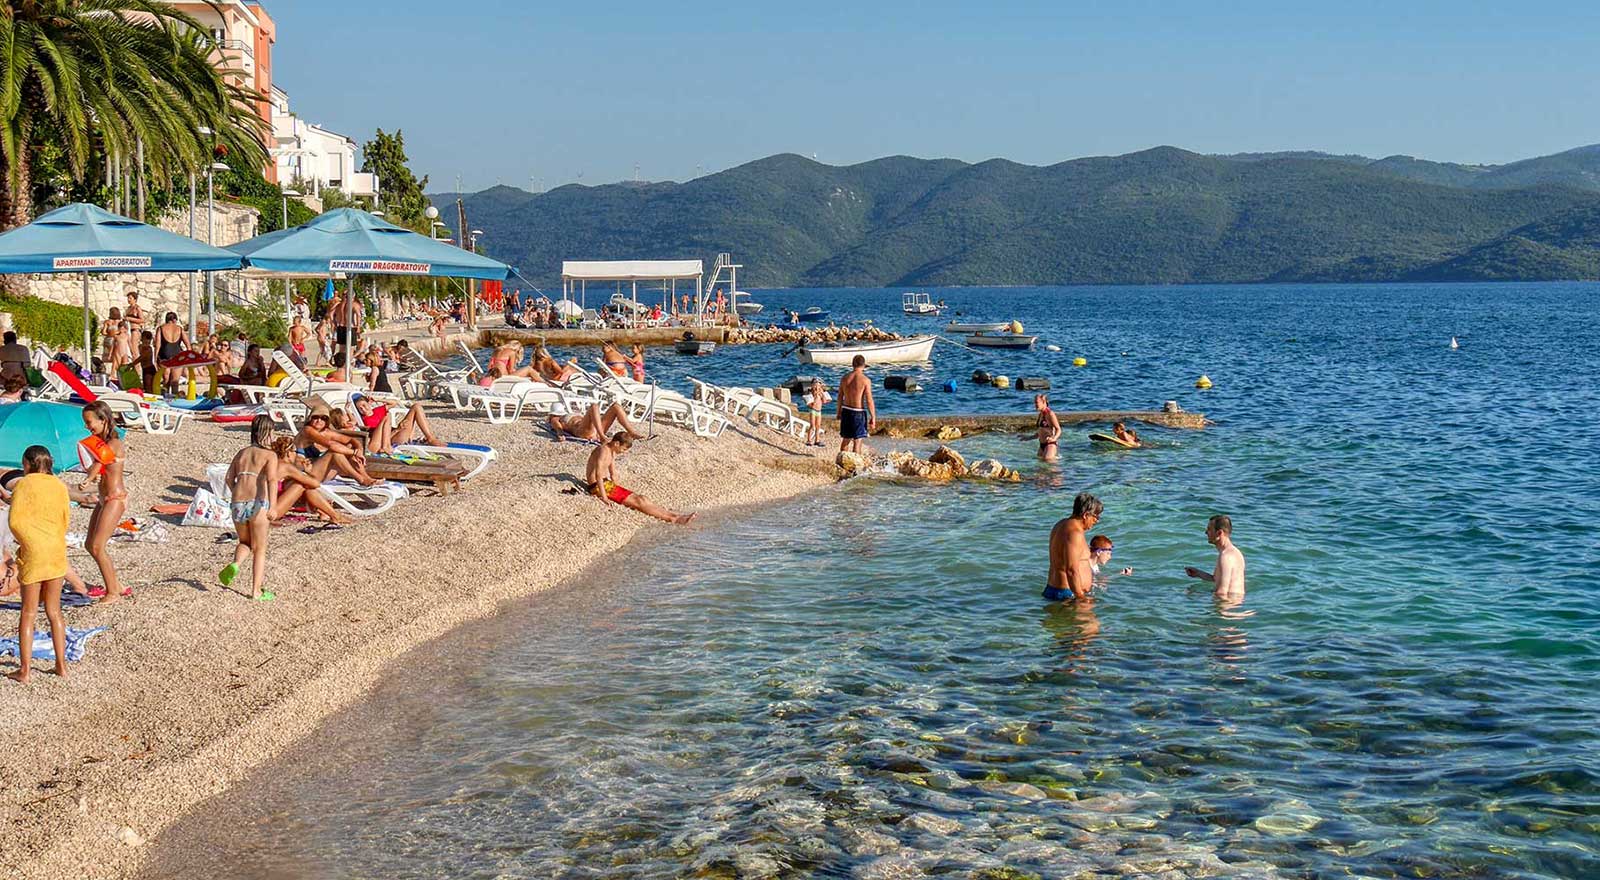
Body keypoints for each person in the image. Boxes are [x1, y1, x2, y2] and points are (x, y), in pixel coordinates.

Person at [6, 446, 70, 682]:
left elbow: (15, 521)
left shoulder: (24, 483)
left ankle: (25, 670)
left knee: (29, 612)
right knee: (54, 611)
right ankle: (61, 666)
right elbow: (65, 519)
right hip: (56, 549)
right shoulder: (59, 485)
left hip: (34, 551)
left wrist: (25, 541)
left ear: (28, 463)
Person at [219, 416, 279, 601]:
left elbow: (229, 478)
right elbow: (272, 480)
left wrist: (236, 493)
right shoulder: (270, 455)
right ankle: (256, 591)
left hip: (237, 503)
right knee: (260, 549)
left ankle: (236, 564)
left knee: (245, 542)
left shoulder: (242, 453)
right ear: (268, 432)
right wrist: (274, 507)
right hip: (258, 503)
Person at [79, 402, 129, 603]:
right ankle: (117, 585)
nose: (86, 427)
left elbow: (100, 462)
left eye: (89, 422)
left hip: (115, 498)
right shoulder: (101, 442)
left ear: (103, 420)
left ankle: (113, 593)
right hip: (104, 498)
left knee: (98, 546)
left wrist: (88, 479)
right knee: (89, 545)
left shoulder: (114, 443)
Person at [584, 433, 694, 524]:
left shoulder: (612, 451)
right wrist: (604, 498)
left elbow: (613, 474)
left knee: (642, 498)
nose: (623, 452)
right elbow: (598, 475)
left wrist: (619, 489)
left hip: (606, 484)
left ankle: (675, 515)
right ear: (616, 443)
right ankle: (673, 519)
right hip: (597, 487)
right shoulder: (603, 451)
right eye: (623, 449)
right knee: (639, 502)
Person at [1046, 492, 1102, 603]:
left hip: (1058, 590)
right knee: (1091, 621)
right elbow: (1071, 570)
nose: (1097, 521)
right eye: (1096, 517)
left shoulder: (1060, 524)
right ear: (1086, 515)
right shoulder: (1074, 533)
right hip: (1068, 595)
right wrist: (1081, 597)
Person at [1185, 514, 1246, 605]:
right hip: (1235, 605)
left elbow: (1222, 592)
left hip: (1227, 608)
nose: (1206, 532)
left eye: (1209, 529)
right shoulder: (1234, 552)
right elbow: (1218, 579)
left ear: (1219, 533)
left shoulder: (1226, 556)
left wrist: (1198, 598)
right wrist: (1198, 573)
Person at [353, 394, 441, 454]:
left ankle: (430, 437)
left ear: (369, 403)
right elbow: (381, 439)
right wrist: (398, 429)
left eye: (364, 405)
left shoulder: (378, 410)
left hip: (397, 431)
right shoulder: (366, 421)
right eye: (360, 409)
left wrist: (377, 399)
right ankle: (430, 438)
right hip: (393, 438)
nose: (364, 409)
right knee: (388, 416)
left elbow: (394, 403)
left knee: (416, 406)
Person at [548, 400, 644, 444]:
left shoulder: (563, 415)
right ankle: (602, 436)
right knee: (594, 406)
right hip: (583, 431)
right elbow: (557, 427)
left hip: (594, 429)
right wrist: (560, 433)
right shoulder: (555, 419)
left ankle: (632, 433)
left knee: (616, 406)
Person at [837, 354, 875, 453]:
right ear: (863, 365)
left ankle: (841, 461)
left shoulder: (844, 378)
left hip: (846, 410)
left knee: (846, 439)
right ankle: (855, 466)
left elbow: (840, 396)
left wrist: (838, 412)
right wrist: (873, 417)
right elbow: (869, 400)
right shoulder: (865, 380)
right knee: (857, 441)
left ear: (852, 364)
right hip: (858, 412)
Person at [155, 312, 187, 390]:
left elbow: (158, 345)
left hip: (164, 355)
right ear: (175, 319)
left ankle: (165, 398)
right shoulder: (180, 329)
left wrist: (155, 358)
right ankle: (174, 399)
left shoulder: (161, 328)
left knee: (166, 381)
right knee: (175, 382)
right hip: (177, 355)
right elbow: (188, 345)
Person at [804, 377, 831, 447]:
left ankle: (817, 440)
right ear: (812, 385)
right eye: (815, 385)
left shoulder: (821, 393)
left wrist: (822, 394)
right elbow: (809, 402)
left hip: (819, 411)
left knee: (818, 426)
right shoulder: (811, 392)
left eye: (818, 385)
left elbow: (825, 401)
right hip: (813, 410)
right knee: (812, 425)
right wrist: (815, 394)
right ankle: (809, 440)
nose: (817, 387)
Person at [1036, 394, 1061, 461]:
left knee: (1049, 464)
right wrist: (1027, 437)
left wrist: (1054, 438)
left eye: (1037, 402)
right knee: (1040, 468)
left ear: (1044, 402)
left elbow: (1058, 429)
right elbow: (1040, 432)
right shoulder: (1040, 414)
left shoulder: (1050, 414)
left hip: (1050, 444)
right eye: (1034, 402)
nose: (1035, 405)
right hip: (1042, 445)